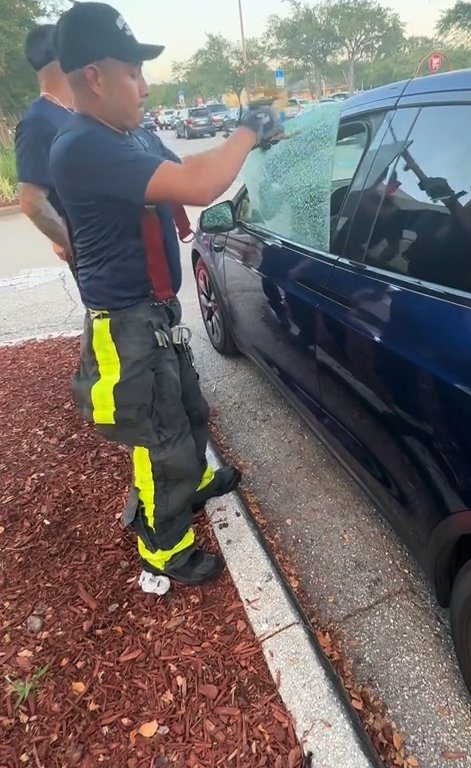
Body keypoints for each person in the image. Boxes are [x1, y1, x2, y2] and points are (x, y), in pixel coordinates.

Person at [50, 2, 282, 590]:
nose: (145, 87)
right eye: (133, 73)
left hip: (152, 314)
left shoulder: (121, 136)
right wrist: (249, 127)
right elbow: (202, 185)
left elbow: (190, 165)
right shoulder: (83, 145)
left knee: (188, 413)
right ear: (96, 78)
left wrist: (241, 142)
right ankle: (165, 549)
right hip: (126, 325)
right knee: (160, 442)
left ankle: (195, 485)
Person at [16, 24, 74, 267]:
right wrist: (69, 243)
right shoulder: (38, 122)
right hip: (97, 260)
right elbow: (32, 201)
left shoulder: (69, 113)